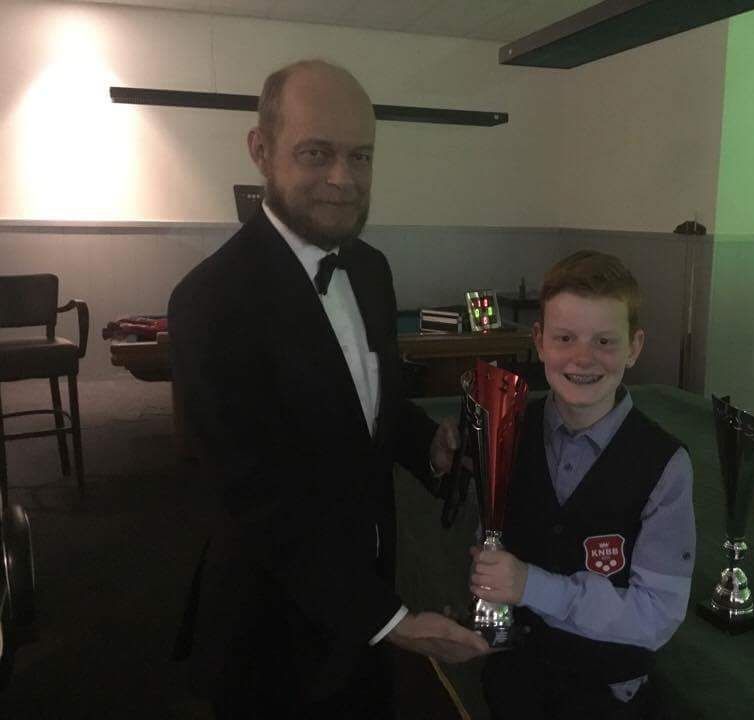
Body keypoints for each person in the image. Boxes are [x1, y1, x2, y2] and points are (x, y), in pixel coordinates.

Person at [168, 59, 489, 718]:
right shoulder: (209, 301)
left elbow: (371, 407)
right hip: (269, 628)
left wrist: (428, 445)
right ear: (260, 151)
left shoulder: (370, 270)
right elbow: (258, 503)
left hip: (364, 600)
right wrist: (391, 620)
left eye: (361, 156)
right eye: (316, 153)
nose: (343, 179)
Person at [471, 250, 696, 719]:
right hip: (513, 682)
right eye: (565, 338)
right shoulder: (506, 434)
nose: (582, 358)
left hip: (608, 698)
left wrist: (531, 585)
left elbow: (654, 616)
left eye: (604, 342)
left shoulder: (665, 464)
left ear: (634, 347)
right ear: (539, 341)